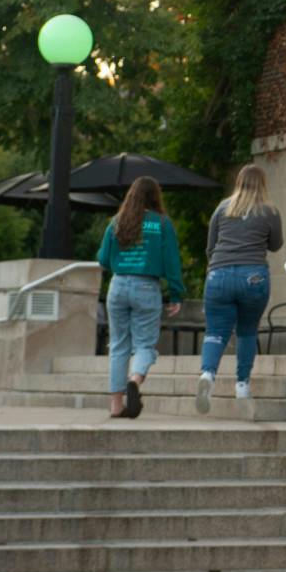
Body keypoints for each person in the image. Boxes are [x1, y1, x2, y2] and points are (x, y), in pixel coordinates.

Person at [196, 164, 285, 413]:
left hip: (219, 274)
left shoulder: (223, 207)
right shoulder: (269, 211)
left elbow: (210, 246)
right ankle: (242, 385)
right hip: (253, 276)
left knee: (215, 331)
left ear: (239, 182)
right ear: (262, 184)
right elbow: (276, 244)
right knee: (246, 331)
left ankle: (207, 375)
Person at [96, 177, 184, 419]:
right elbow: (172, 262)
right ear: (155, 196)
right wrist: (176, 293)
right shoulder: (162, 223)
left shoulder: (117, 222)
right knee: (144, 345)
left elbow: (103, 259)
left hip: (118, 285)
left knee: (117, 346)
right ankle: (134, 380)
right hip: (147, 286)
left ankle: (116, 406)